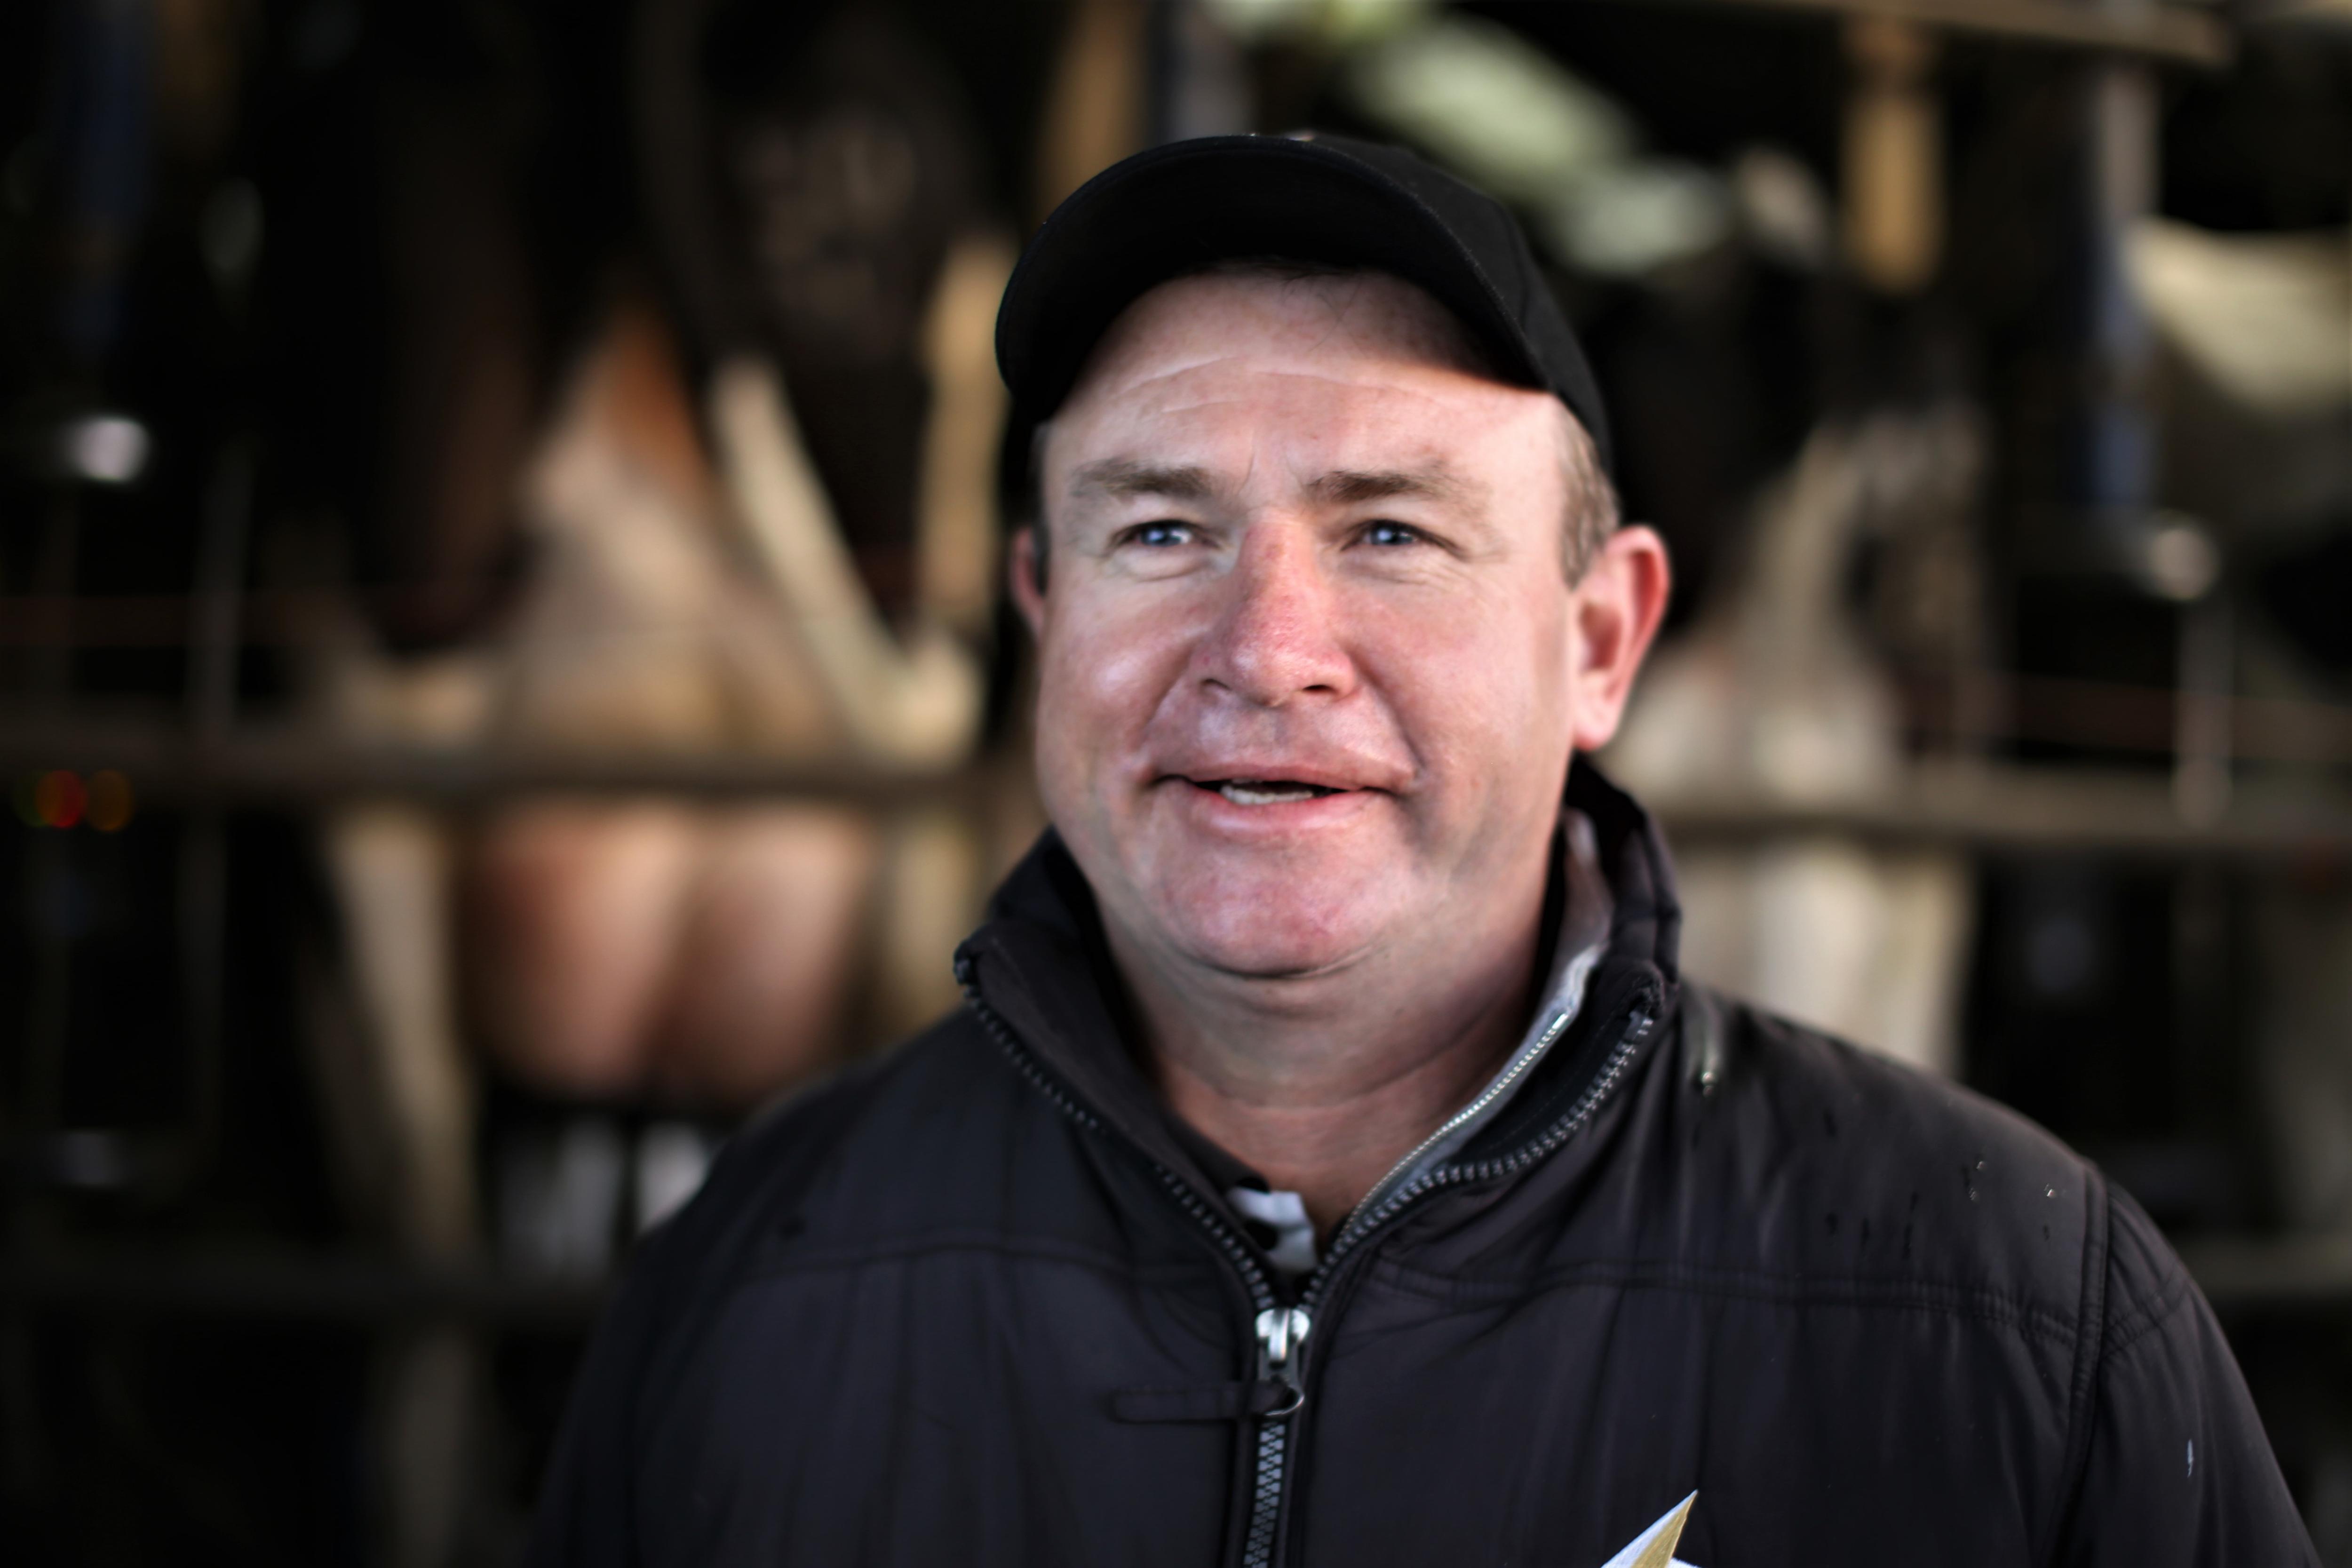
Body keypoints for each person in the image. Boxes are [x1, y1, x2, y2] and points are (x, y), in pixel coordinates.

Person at [528, 135, 2315, 1568]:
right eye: (1159, 529)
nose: (1265, 647)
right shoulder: (752, 1292)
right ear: (1038, 612)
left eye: (1389, 530)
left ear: (1602, 642)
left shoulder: (2014, 1317)